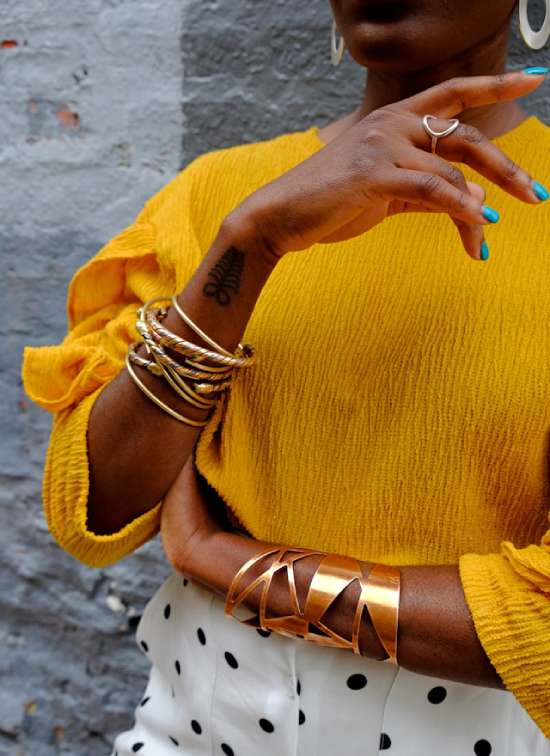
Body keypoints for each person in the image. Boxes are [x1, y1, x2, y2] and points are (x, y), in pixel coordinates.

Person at [21, 0, 550, 754]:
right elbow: (93, 510)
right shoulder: (218, 194)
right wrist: (253, 239)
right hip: (186, 729)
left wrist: (241, 570)